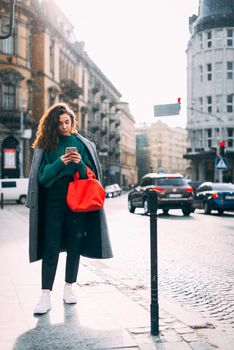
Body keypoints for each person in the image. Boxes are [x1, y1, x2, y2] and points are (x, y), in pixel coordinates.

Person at [26, 103, 113, 315]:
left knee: (75, 244)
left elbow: (89, 177)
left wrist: (80, 163)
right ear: (52, 125)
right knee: (51, 246)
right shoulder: (46, 145)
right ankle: (45, 295)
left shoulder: (82, 144)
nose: (65, 127)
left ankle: (69, 288)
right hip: (54, 199)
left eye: (68, 122)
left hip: (78, 199)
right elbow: (43, 178)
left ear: (72, 122)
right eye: (60, 123)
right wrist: (61, 162)